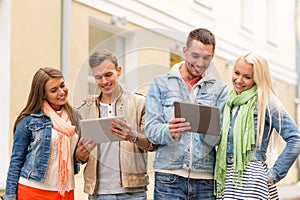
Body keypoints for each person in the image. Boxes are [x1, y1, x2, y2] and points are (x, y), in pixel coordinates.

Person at [145, 28, 228, 199]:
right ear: (185, 51)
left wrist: (208, 129)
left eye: (207, 58)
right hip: (168, 178)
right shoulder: (160, 84)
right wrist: (169, 131)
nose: (200, 63)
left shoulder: (220, 90)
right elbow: (151, 130)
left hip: (205, 179)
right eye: (195, 56)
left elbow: (219, 138)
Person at [214, 52, 300, 199]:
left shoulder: (266, 102)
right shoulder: (228, 101)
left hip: (251, 180)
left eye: (247, 77)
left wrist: (272, 175)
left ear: (258, 79)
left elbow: (295, 139)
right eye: (236, 73)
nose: (239, 80)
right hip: (226, 178)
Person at [75, 49, 156, 200]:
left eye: (108, 75)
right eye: (98, 77)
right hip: (98, 193)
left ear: (118, 71)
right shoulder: (85, 110)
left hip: (133, 193)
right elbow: (79, 158)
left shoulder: (140, 103)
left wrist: (133, 136)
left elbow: (152, 144)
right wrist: (81, 153)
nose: (104, 82)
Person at [4, 67, 81, 200]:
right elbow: (16, 160)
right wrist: (10, 196)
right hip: (33, 190)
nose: (61, 92)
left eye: (62, 85)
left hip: (65, 190)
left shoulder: (75, 117)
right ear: (43, 94)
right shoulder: (28, 120)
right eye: (54, 90)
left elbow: (77, 156)